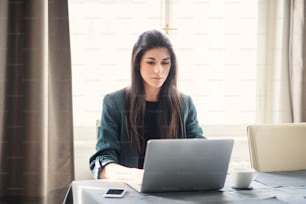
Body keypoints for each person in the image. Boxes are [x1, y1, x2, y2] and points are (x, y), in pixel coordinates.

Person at [89, 29, 205, 181]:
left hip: (173, 187)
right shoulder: (114, 102)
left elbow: (201, 150)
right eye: (151, 62)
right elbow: (103, 161)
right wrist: (136, 175)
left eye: (165, 63)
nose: (159, 70)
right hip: (132, 189)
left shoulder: (184, 103)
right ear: (138, 64)